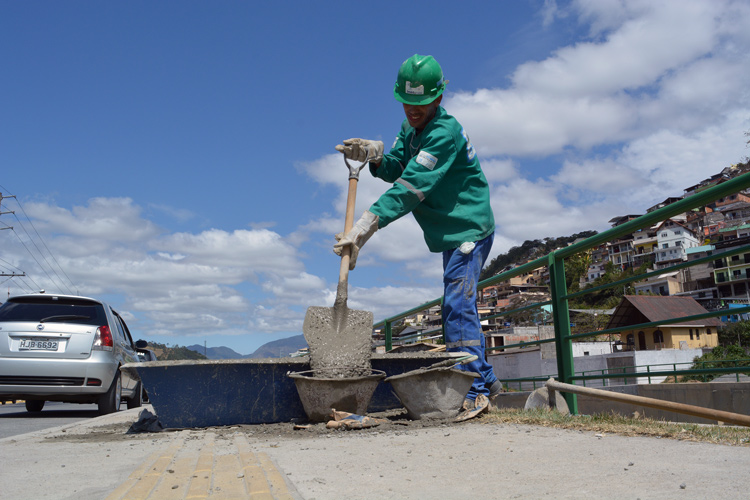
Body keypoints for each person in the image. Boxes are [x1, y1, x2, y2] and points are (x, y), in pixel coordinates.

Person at [334, 54, 502, 414]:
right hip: (449, 230)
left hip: (468, 227)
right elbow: (398, 166)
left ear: (437, 100)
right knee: (456, 305)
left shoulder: (444, 133)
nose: (413, 109)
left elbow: (412, 186)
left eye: (421, 103)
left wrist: (367, 224)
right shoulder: (410, 128)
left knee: (457, 306)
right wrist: (373, 156)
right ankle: (485, 380)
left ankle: (472, 390)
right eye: (407, 101)